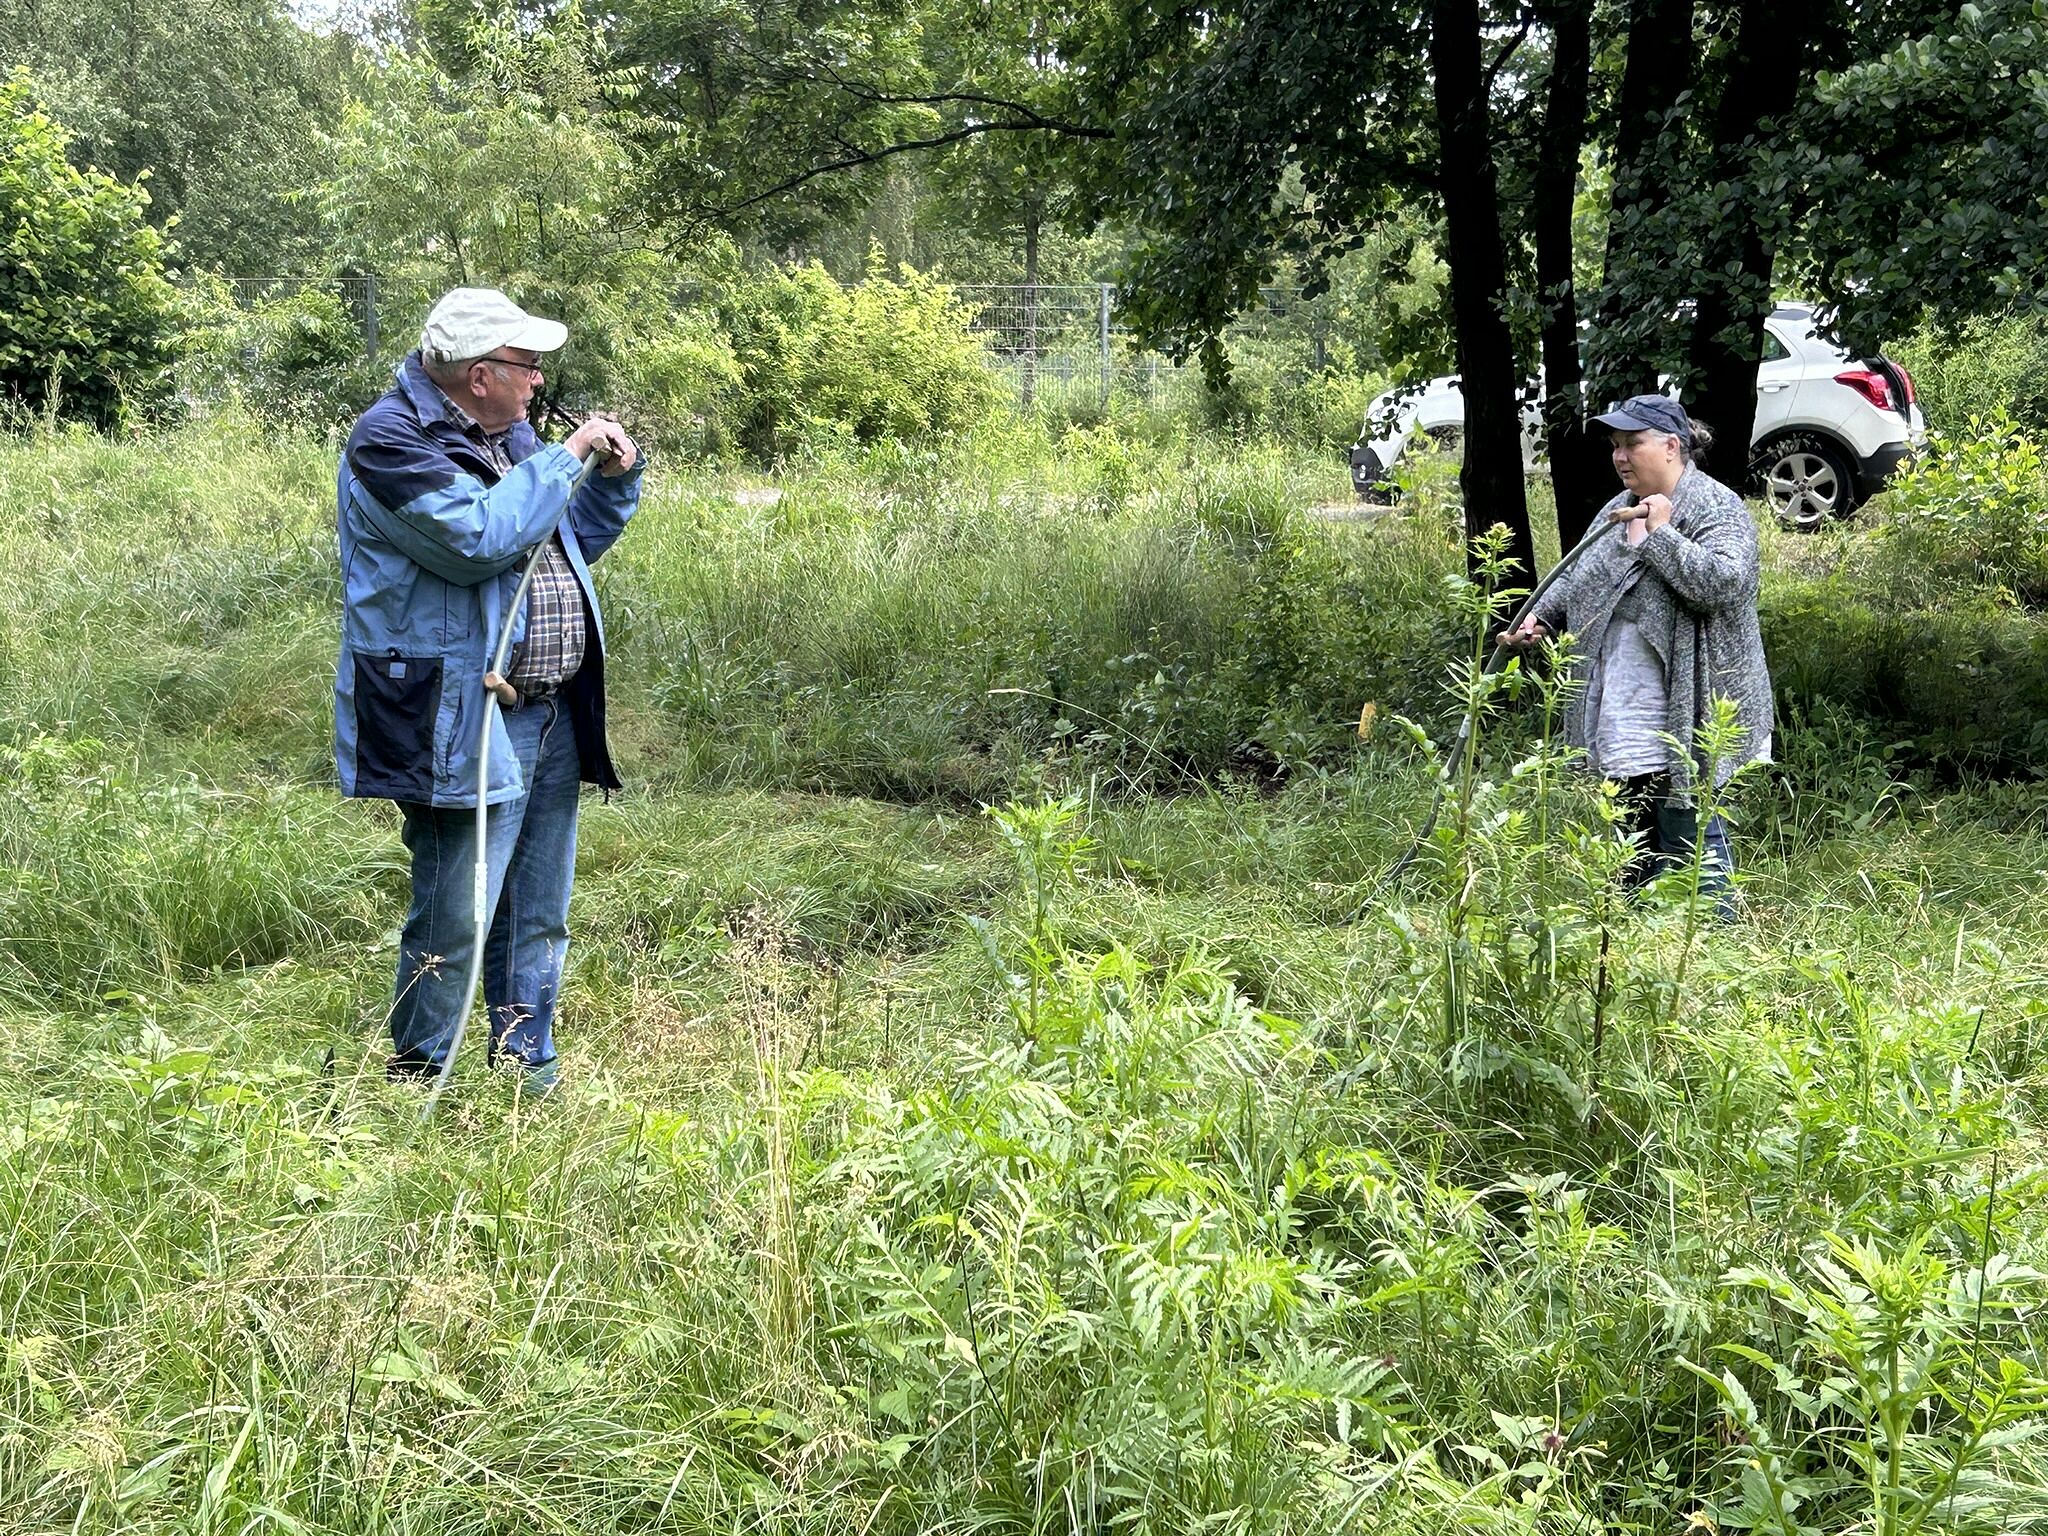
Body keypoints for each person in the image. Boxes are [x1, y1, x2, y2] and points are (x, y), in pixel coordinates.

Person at [335, 287, 644, 1088]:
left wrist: (609, 480)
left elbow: (561, 539)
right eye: (527, 366)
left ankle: (522, 1080)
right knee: (457, 915)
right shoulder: (390, 442)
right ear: (480, 374)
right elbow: (481, 539)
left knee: (538, 915)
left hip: (548, 711)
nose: (538, 381)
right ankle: (417, 1087)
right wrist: (564, 454)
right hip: (460, 714)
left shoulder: (507, 435)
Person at [1500, 394, 1772, 905]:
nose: (1620, 456)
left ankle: (1713, 949)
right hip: (1625, 708)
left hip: (1690, 709)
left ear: (1672, 446)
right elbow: (1577, 575)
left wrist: (1660, 534)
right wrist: (1538, 616)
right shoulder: (1614, 509)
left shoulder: (1717, 508)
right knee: (1629, 840)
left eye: (1633, 444)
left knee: (1691, 838)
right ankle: (1631, 943)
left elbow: (1725, 586)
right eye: (1615, 446)